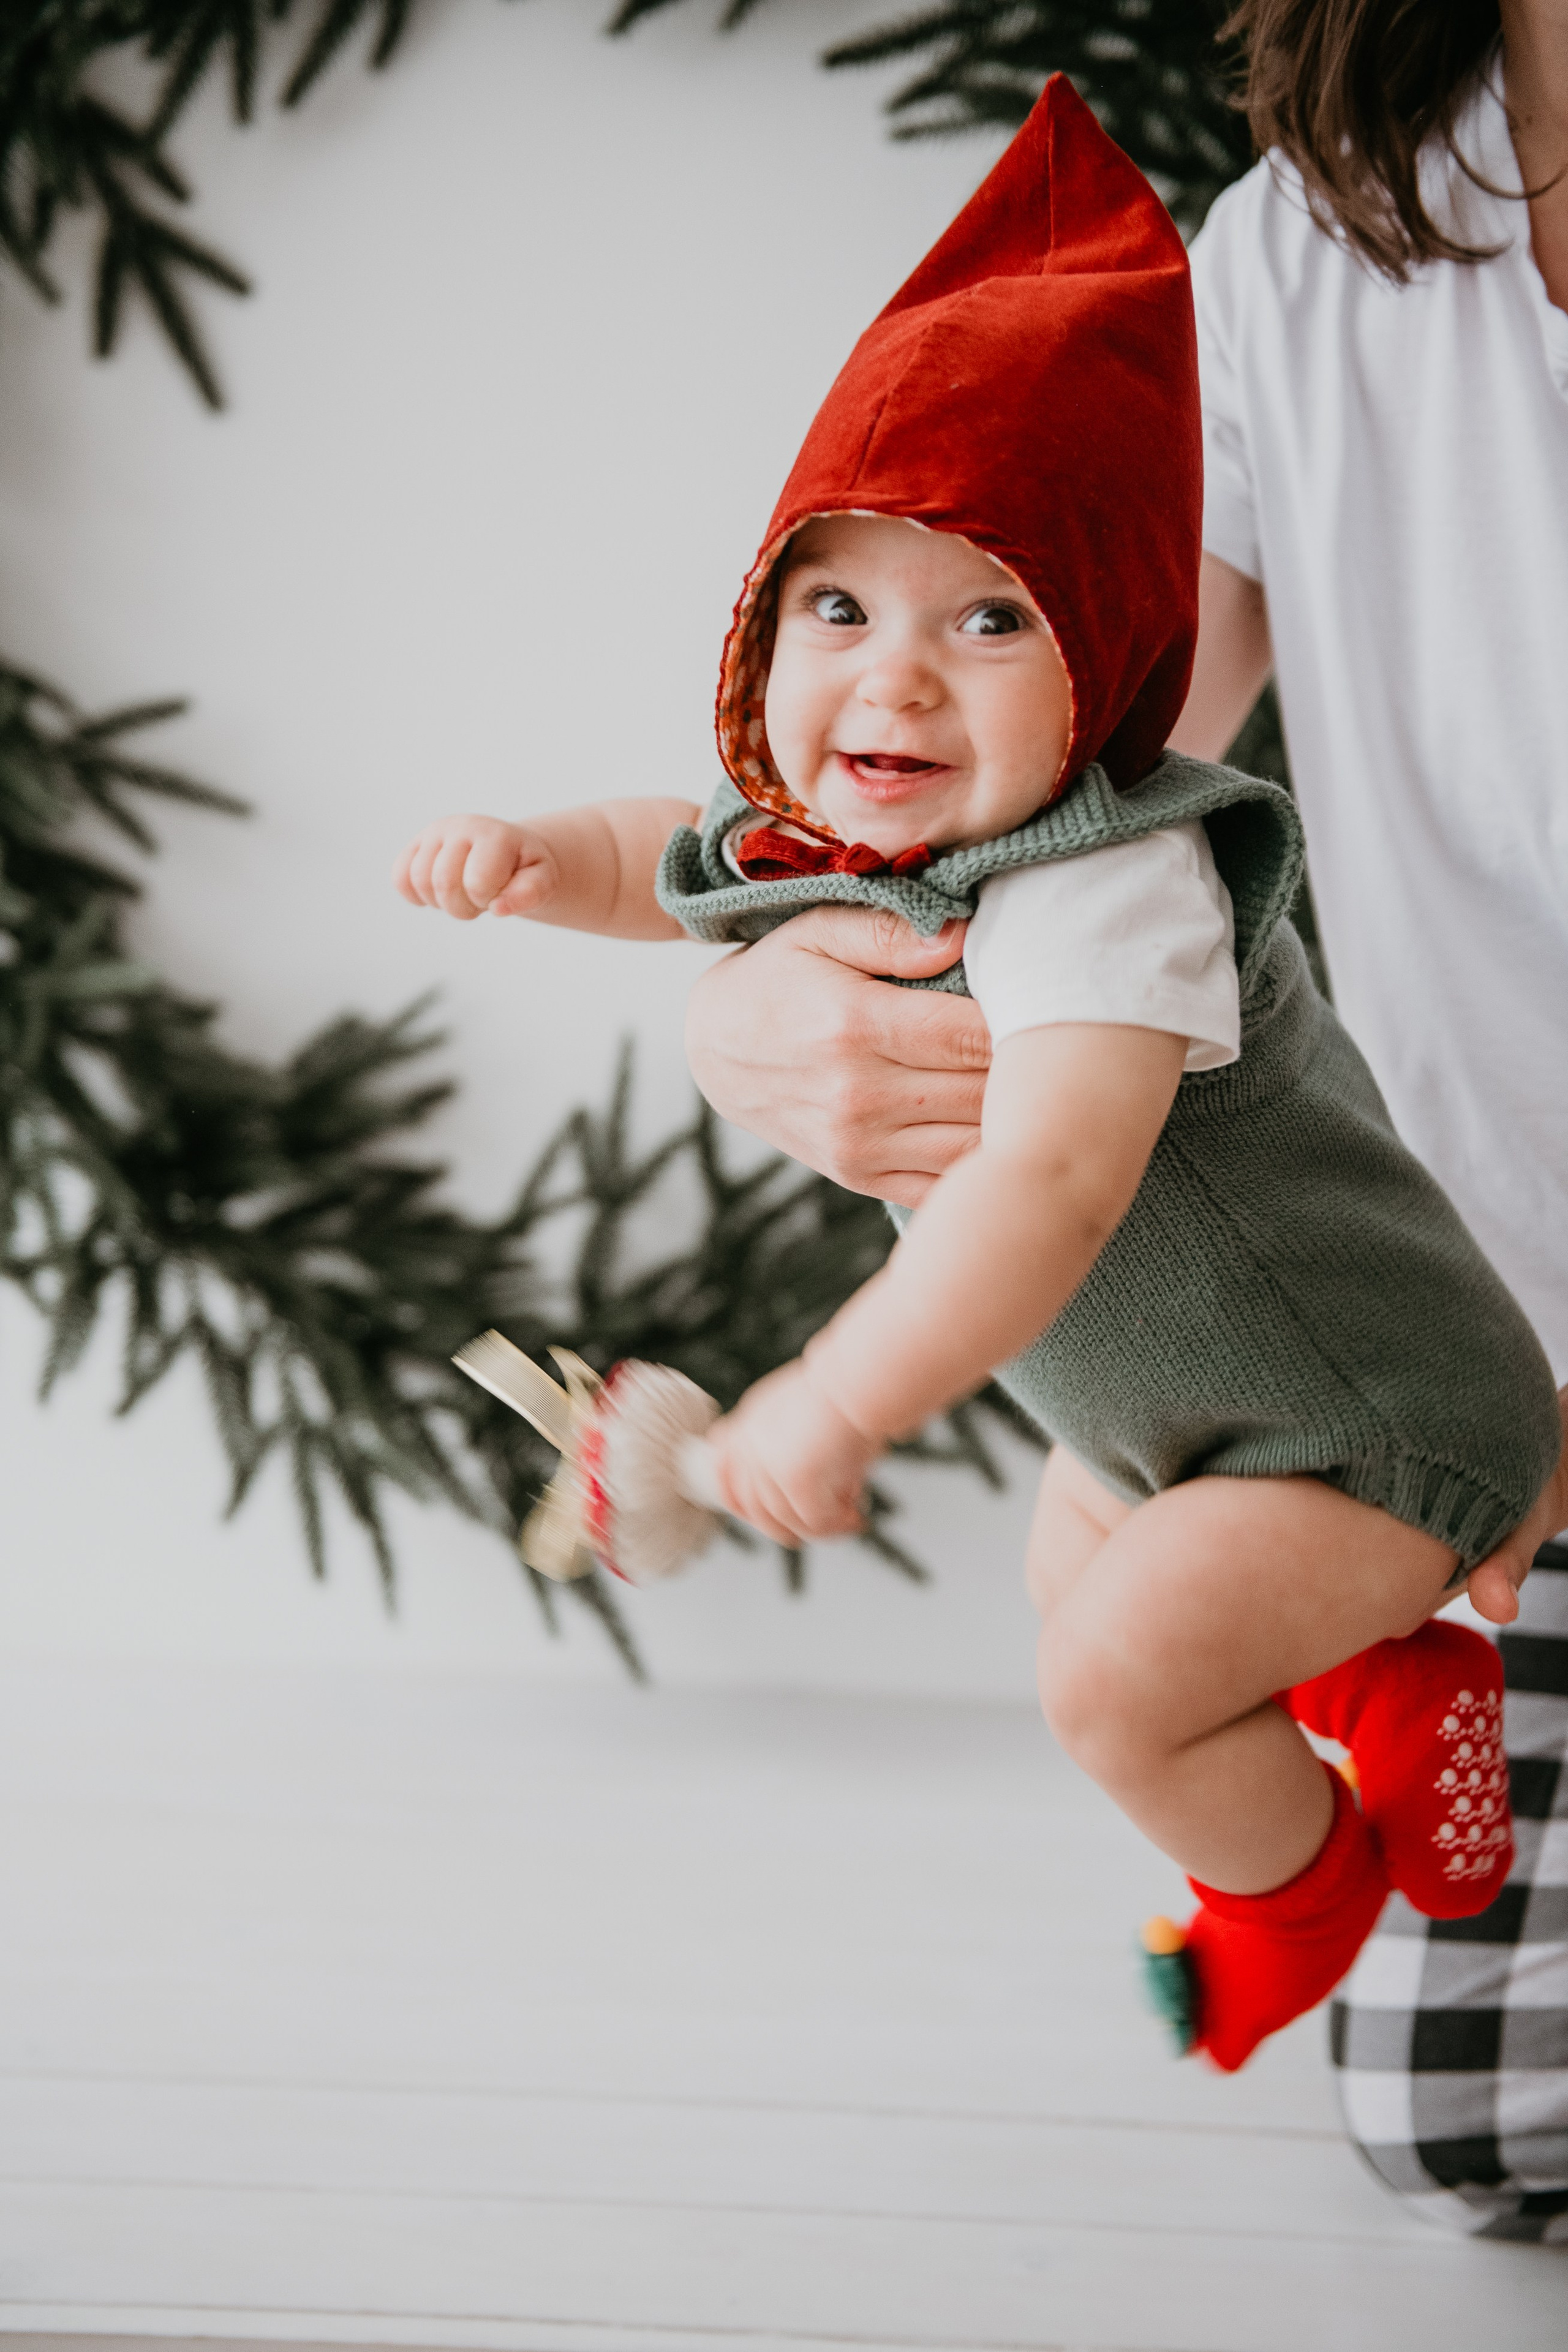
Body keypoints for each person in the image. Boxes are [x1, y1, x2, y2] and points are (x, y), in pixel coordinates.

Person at [394, 83, 1562, 2075]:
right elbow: (679, 856)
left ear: (1102, 662)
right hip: (1205, 1423)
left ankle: (1293, 1894)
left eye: (991, 618)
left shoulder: (1104, 891)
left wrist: (839, 1395)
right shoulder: (869, 834)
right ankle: (1389, 1692)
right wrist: (538, 860)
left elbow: (1053, 1186)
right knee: (1077, 1561)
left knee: (1113, 1681)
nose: (896, 678)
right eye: (838, 608)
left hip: (1372, 1422)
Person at [677, 0, 1568, 2233]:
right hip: (1490, 1331)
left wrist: (834, 1400)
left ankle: (1348, 1750)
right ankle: (1390, 1670)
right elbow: (1057, 740)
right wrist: (763, 989)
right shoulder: (1312, 249)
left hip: (1467, 1377)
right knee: (1470, 2120)